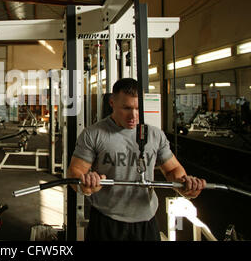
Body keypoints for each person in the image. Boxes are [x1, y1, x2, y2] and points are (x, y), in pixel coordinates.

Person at [67, 78, 206, 241]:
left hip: (146, 221)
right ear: (112, 102)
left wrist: (185, 184)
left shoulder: (155, 135)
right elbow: (74, 172)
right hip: (107, 221)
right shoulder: (94, 134)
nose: (133, 115)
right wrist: (86, 184)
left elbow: (172, 169)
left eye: (138, 108)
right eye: (126, 108)